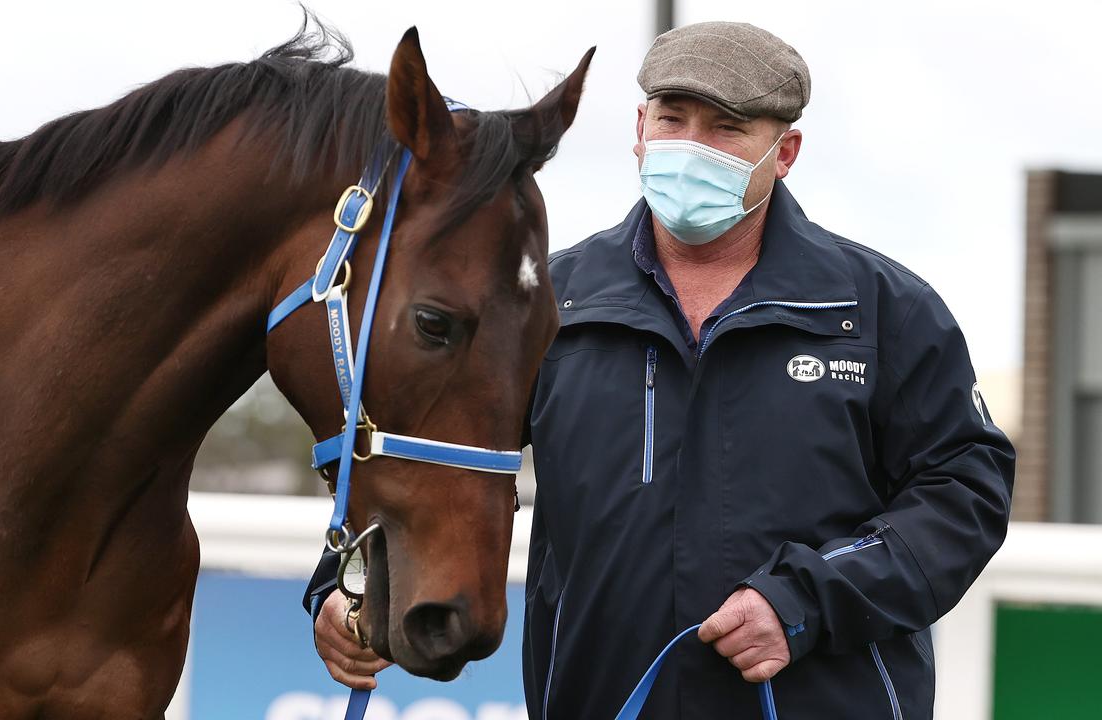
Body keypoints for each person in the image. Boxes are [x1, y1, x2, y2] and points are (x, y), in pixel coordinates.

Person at [307, 21, 1015, 718]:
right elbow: (428, 444)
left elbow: (964, 495)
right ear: (640, 131)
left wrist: (806, 600)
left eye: (727, 129)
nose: (691, 147)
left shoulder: (882, 309)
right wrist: (353, 583)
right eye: (673, 119)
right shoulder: (549, 304)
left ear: (786, 151)